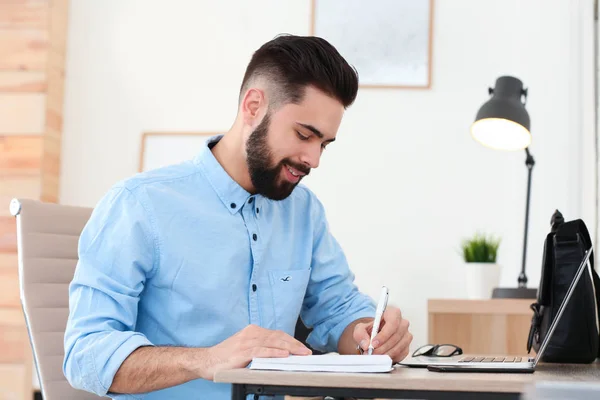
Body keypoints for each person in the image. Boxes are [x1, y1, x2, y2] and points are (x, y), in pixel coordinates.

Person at [63, 34, 412, 399]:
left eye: (323, 144)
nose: (314, 159)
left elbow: (338, 308)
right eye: (304, 135)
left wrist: (370, 332)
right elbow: (84, 354)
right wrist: (206, 360)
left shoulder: (304, 212)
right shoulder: (139, 205)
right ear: (253, 106)